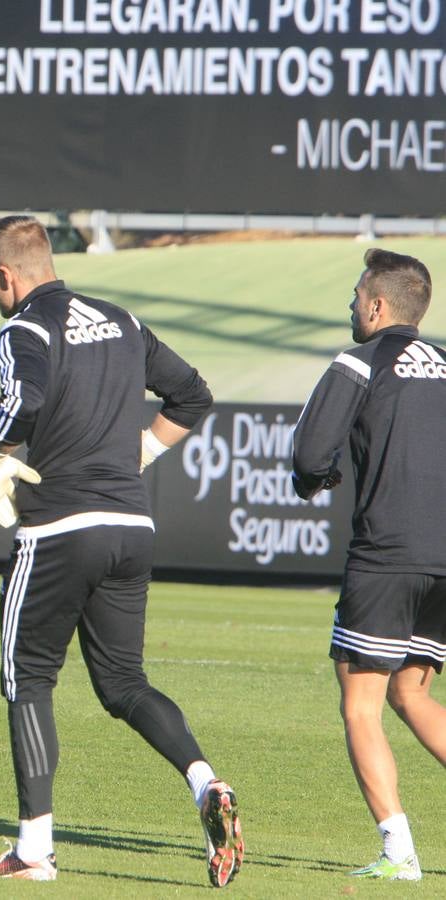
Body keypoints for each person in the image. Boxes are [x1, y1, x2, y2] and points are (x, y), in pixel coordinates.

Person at [0, 216, 242, 885]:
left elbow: (23, 398)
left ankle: (33, 850)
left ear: (4, 275)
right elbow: (194, 394)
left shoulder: (23, 327)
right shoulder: (121, 320)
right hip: (131, 527)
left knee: (27, 678)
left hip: (60, 525)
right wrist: (138, 454)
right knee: (123, 684)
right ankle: (205, 783)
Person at [291, 248, 443, 883]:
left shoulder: (358, 361)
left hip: (386, 555)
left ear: (378, 306)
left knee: (361, 700)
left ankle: (398, 852)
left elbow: (307, 452)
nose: (351, 304)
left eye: (356, 295)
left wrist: (318, 478)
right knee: (412, 691)